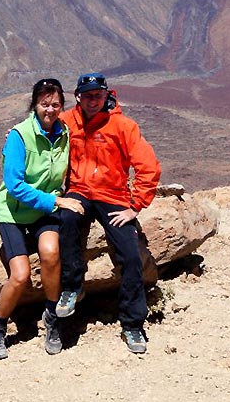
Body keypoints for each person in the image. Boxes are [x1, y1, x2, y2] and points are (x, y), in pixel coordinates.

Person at [56, 72, 161, 354]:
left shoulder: (123, 126)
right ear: (78, 96)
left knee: (129, 254)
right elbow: (37, 132)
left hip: (113, 196)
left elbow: (148, 167)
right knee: (65, 220)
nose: (93, 101)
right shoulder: (66, 121)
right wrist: (13, 136)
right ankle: (72, 287)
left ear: (107, 96)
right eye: (88, 95)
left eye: (98, 96)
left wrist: (135, 205)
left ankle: (133, 324)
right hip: (79, 190)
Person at [0, 78, 85, 360]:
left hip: (43, 212)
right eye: (44, 104)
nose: (50, 109)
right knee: (20, 276)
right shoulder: (19, 136)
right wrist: (56, 200)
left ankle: (53, 318)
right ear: (34, 105)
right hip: (14, 213)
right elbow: (15, 185)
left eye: (56, 104)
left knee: (51, 253)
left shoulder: (64, 132)